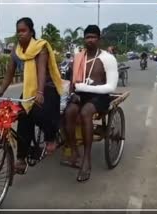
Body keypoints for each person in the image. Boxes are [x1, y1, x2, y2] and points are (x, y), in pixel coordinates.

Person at [0, 17, 63, 174]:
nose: (20, 34)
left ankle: (50, 137)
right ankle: (21, 158)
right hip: (29, 89)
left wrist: (40, 92)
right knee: (22, 115)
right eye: (18, 31)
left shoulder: (40, 47)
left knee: (40, 112)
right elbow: (9, 74)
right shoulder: (16, 51)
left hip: (47, 87)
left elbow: (41, 71)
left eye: (24, 30)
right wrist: (1, 91)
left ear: (31, 32)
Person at [63, 25, 118, 182]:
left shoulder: (108, 58)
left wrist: (85, 87)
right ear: (84, 39)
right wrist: (73, 93)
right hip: (81, 95)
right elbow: (72, 82)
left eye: (94, 37)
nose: (90, 40)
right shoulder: (79, 58)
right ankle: (74, 151)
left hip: (100, 96)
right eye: (88, 37)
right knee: (69, 112)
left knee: (86, 112)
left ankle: (87, 160)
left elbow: (111, 87)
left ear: (99, 39)